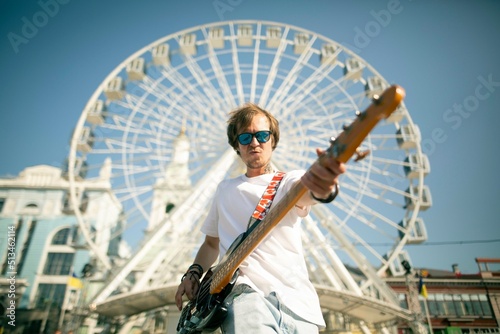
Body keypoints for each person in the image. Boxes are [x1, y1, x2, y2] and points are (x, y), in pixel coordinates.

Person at [175, 103, 346, 333]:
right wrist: (194, 272)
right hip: (245, 297)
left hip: (299, 304)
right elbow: (210, 243)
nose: (254, 143)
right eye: (245, 137)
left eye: (262, 135)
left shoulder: (288, 181)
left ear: (272, 140)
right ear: (237, 145)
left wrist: (325, 185)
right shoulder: (225, 190)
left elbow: (308, 191)